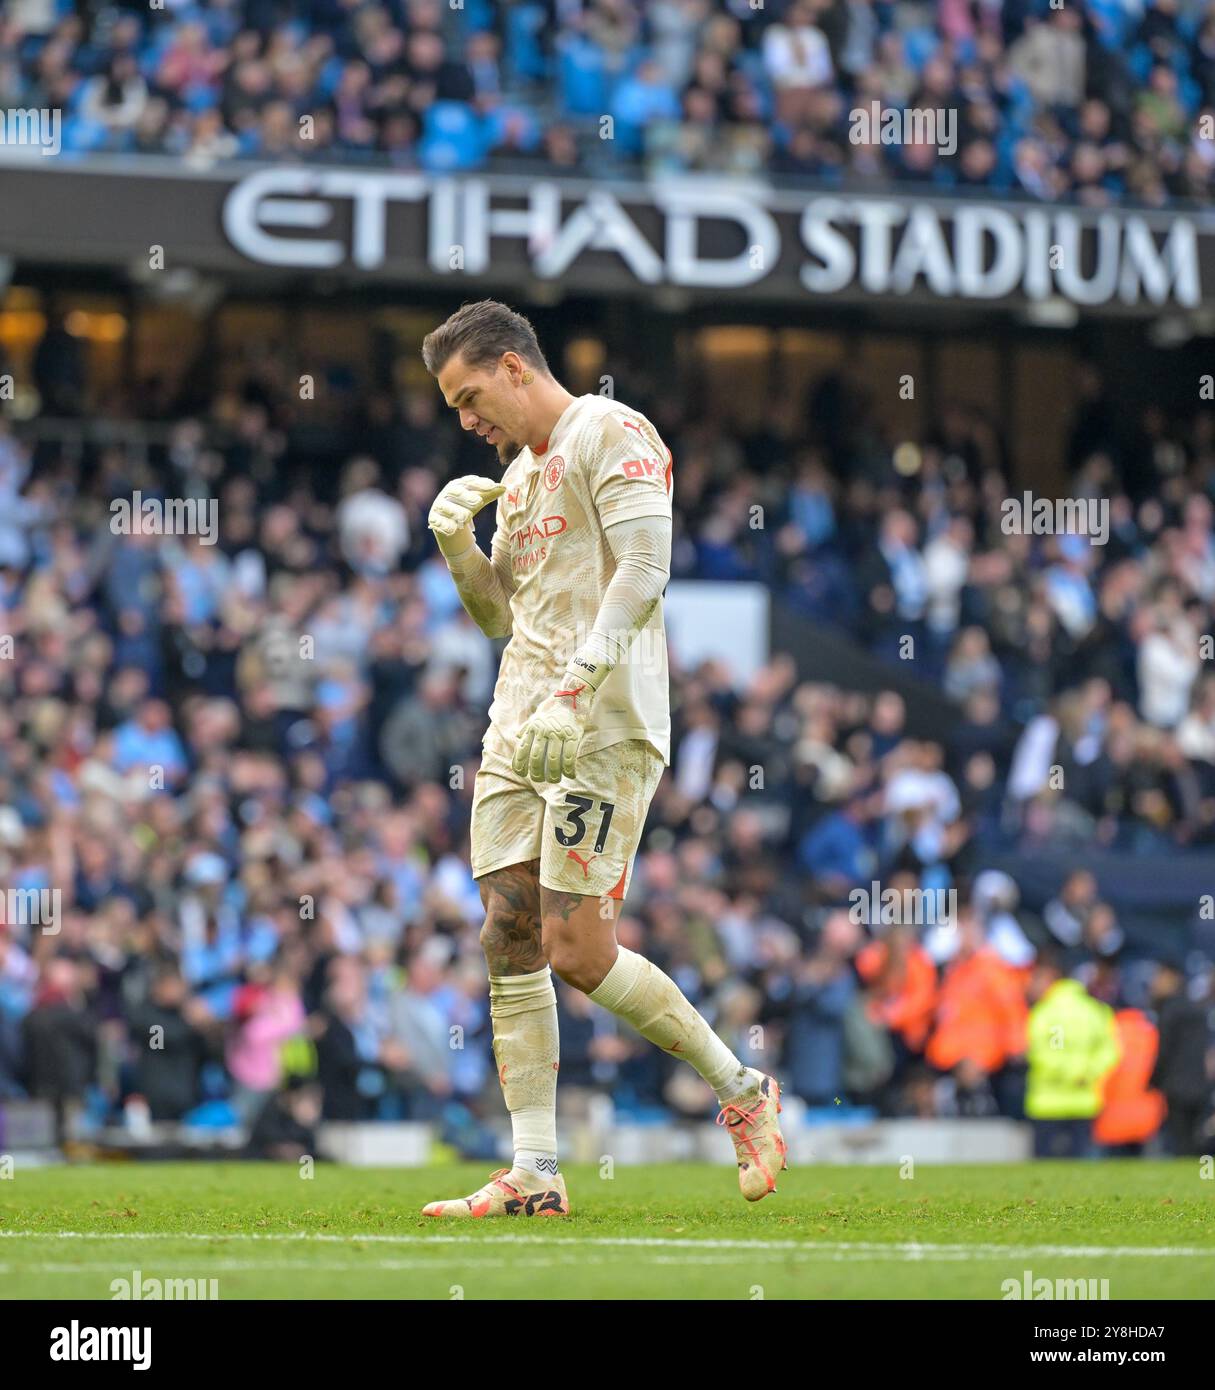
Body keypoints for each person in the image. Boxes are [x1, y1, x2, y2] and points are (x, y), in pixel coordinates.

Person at [418, 300, 786, 1217]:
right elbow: (505, 616)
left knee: (576, 949)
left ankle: (739, 1087)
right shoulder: (521, 476)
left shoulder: (611, 431)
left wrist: (577, 688)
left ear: (511, 366)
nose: (467, 422)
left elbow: (644, 569)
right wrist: (458, 549)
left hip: (602, 724)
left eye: (470, 397)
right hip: (517, 724)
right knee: (505, 932)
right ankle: (535, 1173)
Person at [1024, 952, 1121, 1158]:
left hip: (1048, 1103)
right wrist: (1086, 1073)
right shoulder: (1096, 1011)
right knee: (1083, 1172)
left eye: (1036, 977)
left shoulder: (1045, 1013)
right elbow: (1110, 1052)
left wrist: (1068, 1073)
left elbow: (1043, 1053)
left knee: (1044, 1176)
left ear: (1051, 977)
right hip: (1084, 1100)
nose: (1030, 984)